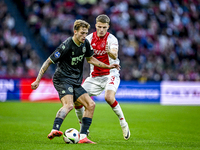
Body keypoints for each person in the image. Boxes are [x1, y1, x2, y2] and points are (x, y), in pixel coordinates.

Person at [31, 19, 120, 144]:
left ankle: (83, 136)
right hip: (62, 79)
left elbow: (91, 60)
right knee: (69, 105)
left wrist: (108, 66)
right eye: (82, 33)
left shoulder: (85, 44)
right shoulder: (66, 45)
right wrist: (37, 80)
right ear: (75, 32)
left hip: (75, 81)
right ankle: (54, 130)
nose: (84, 36)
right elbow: (48, 61)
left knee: (91, 105)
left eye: (86, 33)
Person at [74, 14, 130, 140]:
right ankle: (83, 128)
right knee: (76, 98)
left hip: (111, 73)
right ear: (95, 25)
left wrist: (109, 51)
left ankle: (123, 123)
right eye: (99, 27)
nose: (101, 30)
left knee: (109, 97)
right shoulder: (88, 38)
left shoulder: (112, 39)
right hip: (94, 77)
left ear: (108, 27)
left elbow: (114, 55)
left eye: (104, 27)